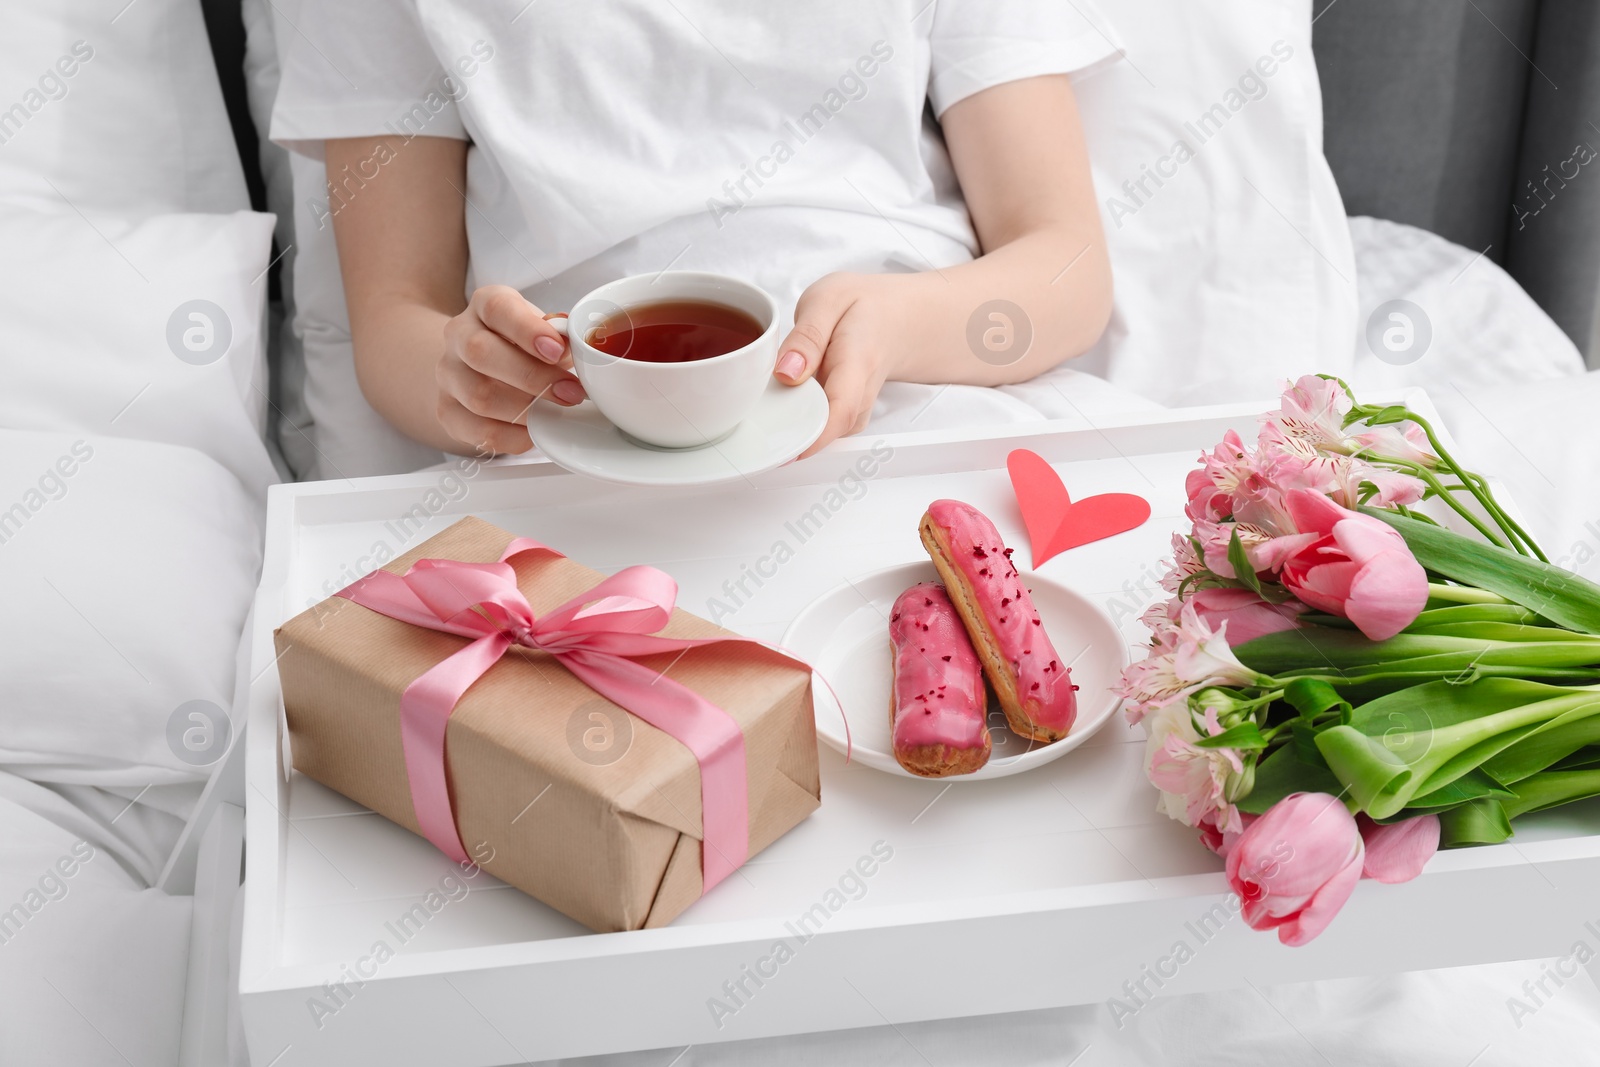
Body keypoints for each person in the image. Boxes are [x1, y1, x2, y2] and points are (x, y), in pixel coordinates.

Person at [271, 1, 1119, 460]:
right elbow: (391, 320)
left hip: (918, 415)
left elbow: (1064, 262)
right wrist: (465, 378)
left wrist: (896, 325)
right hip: (583, 450)